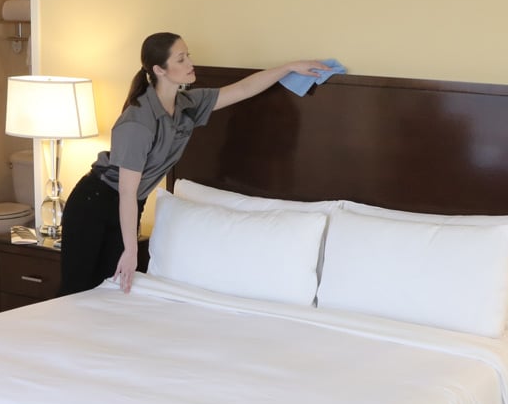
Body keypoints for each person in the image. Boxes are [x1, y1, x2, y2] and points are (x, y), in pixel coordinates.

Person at [59, 32, 328, 296]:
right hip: (96, 204)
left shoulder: (186, 104)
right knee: (77, 291)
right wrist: (131, 250)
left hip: (127, 205)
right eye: (181, 59)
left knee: (111, 294)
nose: (190, 64)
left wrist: (289, 68)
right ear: (159, 70)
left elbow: (243, 89)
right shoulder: (138, 121)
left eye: (188, 56)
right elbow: (127, 192)